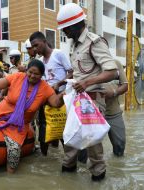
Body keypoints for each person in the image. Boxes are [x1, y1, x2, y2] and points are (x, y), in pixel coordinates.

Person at [57, 3, 118, 181]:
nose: (64, 33)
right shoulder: (75, 45)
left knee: (94, 148)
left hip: (92, 101)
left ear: (75, 25)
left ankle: (98, 179)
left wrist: (87, 82)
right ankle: (67, 176)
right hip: (78, 101)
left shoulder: (94, 42)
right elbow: (78, 72)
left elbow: (112, 71)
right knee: (70, 140)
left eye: (66, 29)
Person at [0, 59, 65, 173]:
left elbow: (56, 103)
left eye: (36, 74)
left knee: (14, 154)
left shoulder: (45, 88)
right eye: (30, 72)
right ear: (26, 71)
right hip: (0, 110)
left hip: (18, 125)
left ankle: (10, 179)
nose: (32, 76)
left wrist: (62, 96)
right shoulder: (17, 77)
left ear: (41, 75)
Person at [29, 31, 73, 155]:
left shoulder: (58, 54)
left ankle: (69, 159)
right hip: (46, 100)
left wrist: (58, 84)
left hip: (61, 98)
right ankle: (44, 161)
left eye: (36, 45)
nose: (35, 49)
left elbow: (71, 72)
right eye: (33, 46)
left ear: (44, 42)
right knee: (43, 130)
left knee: (64, 130)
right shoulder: (40, 61)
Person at [104, 60, 128, 156]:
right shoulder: (87, 64)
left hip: (113, 111)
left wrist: (113, 93)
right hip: (92, 112)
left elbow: (125, 85)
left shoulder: (115, 63)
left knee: (120, 145)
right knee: (85, 149)